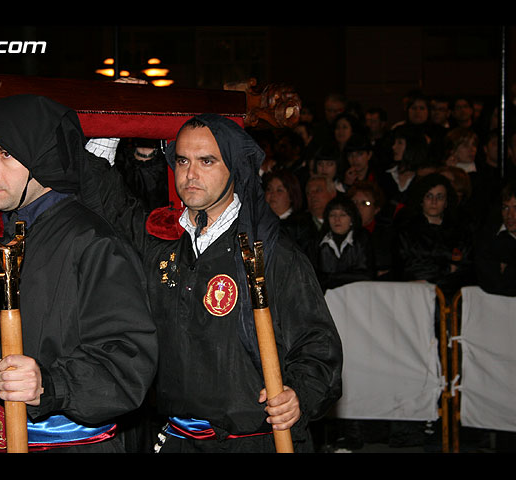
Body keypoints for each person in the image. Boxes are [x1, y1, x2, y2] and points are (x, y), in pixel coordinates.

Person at [0, 94, 158, 453]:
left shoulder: (94, 242)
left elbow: (128, 362)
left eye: (5, 154)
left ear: (43, 156)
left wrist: (49, 384)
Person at [98, 114, 343, 453]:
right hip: (178, 441)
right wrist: (111, 116)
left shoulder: (269, 251)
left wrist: (298, 394)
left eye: (207, 161)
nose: (190, 174)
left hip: (253, 441)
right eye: (182, 160)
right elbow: (103, 200)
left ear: (235, 168)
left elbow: (318, 345)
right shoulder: (161, 239)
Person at [393, 173, 475, 299]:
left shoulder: (460, 231)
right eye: (429, 196)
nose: (434, 202)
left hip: (451, 296)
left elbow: (466, 267)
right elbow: (409, 268)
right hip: (415, 295)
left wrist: (433, 267)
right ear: (421, 200)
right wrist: (446, 268)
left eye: (440, 197)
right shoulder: (407, 230)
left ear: (447, 202)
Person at [474, 180, 516, 297]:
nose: (510, 215)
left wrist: (507, 270)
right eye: (505, 208)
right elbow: (487, 281)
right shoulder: (487, 234)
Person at [315, 195, 375, 293]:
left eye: (343, 215)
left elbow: (367, 274)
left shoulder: (362, 239)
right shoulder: (318, 241)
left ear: (352, 219)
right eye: (332, 215)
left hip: (358, 296)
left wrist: (330, 278)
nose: (337, 219)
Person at [348, 181, 394, 280]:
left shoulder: (388, 234)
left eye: (365, 203)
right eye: (354, 202)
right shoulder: (341, 232)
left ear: (376, 209)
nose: (358, 207)